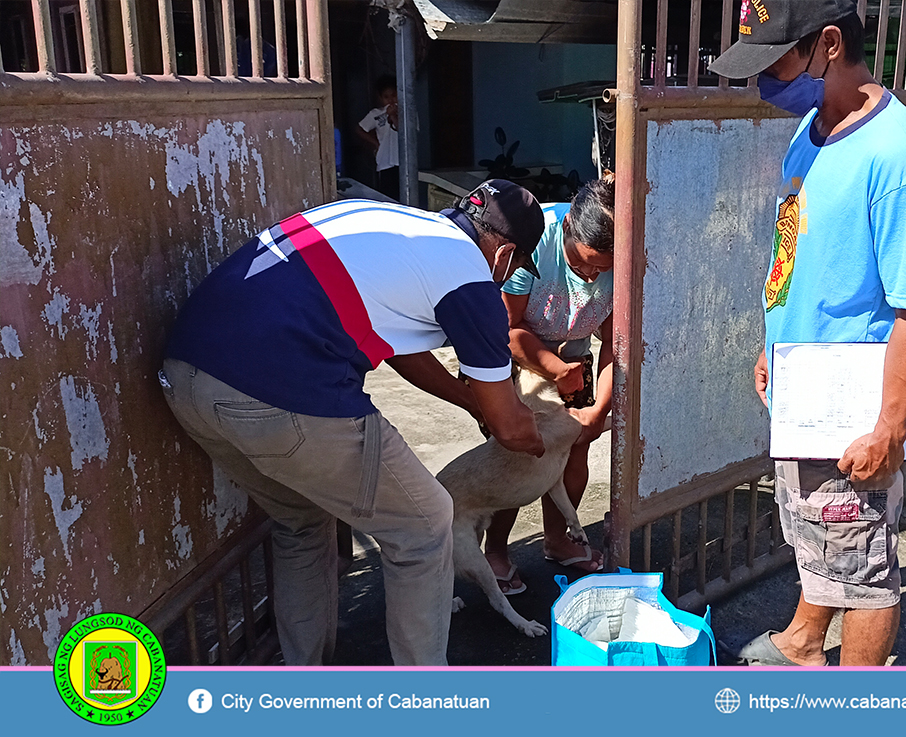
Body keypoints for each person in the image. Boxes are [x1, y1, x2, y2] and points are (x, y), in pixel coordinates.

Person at [159, 180, 547, 666]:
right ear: (505, 254)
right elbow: (511, 427)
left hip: (186, 380)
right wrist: (542, 436)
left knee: (301, 523)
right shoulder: (469, 277)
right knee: (425, 525)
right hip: (283, 393)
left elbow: (401, 349)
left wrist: (470, 403)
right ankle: (428, 702)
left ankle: (306, 682)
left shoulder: (384, 220)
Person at [708, 0, 906, 666]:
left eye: (776, 60)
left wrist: (889, 430)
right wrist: (771, 339)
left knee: (864, 570)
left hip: (850, 409)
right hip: (801, 386)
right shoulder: (812, 130)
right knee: (816, 525)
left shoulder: (900, 159)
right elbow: (795, 245)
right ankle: (807, 639)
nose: (765, 81)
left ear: (830, 45)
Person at [480, 175, 616, 594]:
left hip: (574, 358)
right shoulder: (536, 244)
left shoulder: (624, 257)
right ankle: (496, 550)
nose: (592, 274)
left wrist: (598, 410)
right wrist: (555, 369)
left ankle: (558, 540)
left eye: (602, 268)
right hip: (522, 358)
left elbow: (615, 342)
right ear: (570, 227)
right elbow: (508, 329)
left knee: (575, 455)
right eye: (583, 262)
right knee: (517, 459)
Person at [356, 75, 401, 201]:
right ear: (381, 98)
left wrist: (393, 116)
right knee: (388, 197)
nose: (391, 100)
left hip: (403, 160)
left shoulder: (406, 111)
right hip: (385, 161)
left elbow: (401, 129)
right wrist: (376, 144)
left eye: (393, 95)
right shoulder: (376, 114)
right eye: (386, 97)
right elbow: (360, 129)